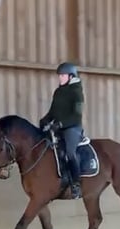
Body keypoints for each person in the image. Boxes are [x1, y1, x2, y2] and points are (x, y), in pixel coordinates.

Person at [39, 62, 84, 199]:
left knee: (70, 153)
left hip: (72, 128)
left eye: (63, 76)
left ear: (71, 76)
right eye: (59, 76)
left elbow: (77, 115)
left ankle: (76, 184)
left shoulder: (77, 92)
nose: (60, 78)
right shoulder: (58, 92)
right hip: (58, 128)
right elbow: (52, 111)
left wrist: (61, 123)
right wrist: (45, 120)